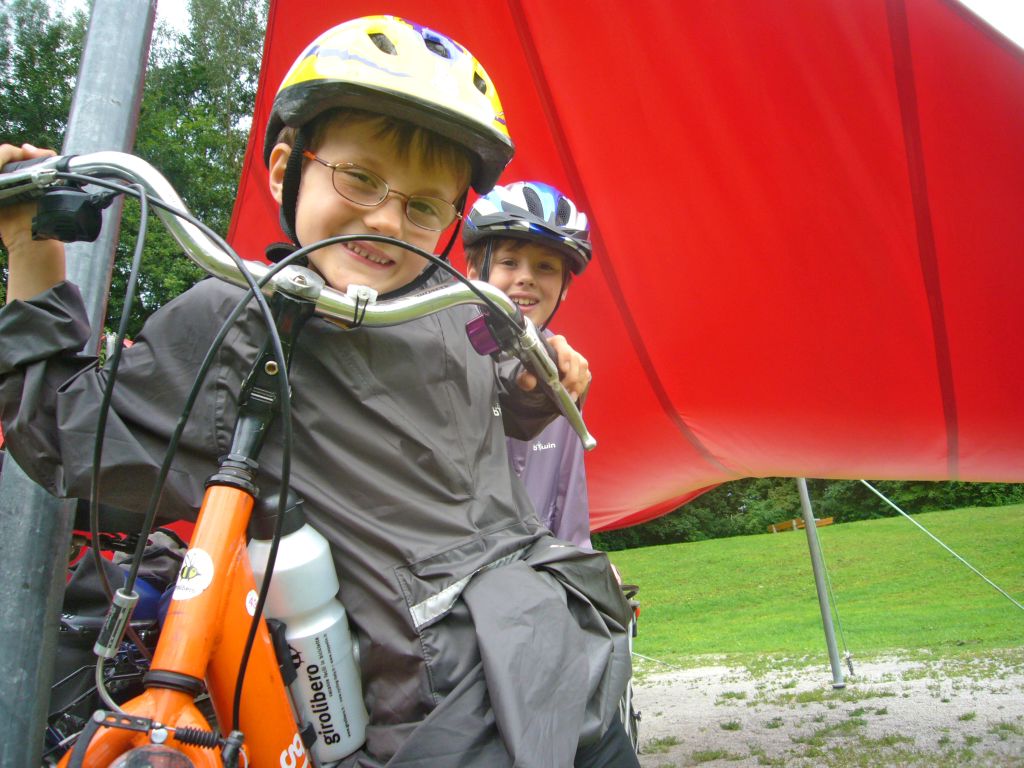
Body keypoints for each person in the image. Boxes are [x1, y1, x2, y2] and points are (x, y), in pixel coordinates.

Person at [0, 16, 637, 768]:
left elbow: (502, 405)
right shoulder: (244, 317)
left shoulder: (451, 305)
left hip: (555, 656)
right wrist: (33, 252)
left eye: (425, 206)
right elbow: (70, 434)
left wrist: (538, 386)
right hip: (450, 702)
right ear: (284, 168)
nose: (387, 218)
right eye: (360, 177)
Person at [463, 181, 594, 548]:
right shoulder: (441, 347)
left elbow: (567, 495)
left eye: (546, 267)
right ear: (472, 271)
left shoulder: (567, 368)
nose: (527, 277)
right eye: (509, 262)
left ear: (565, 286)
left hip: (535, 575)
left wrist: (582, 564)